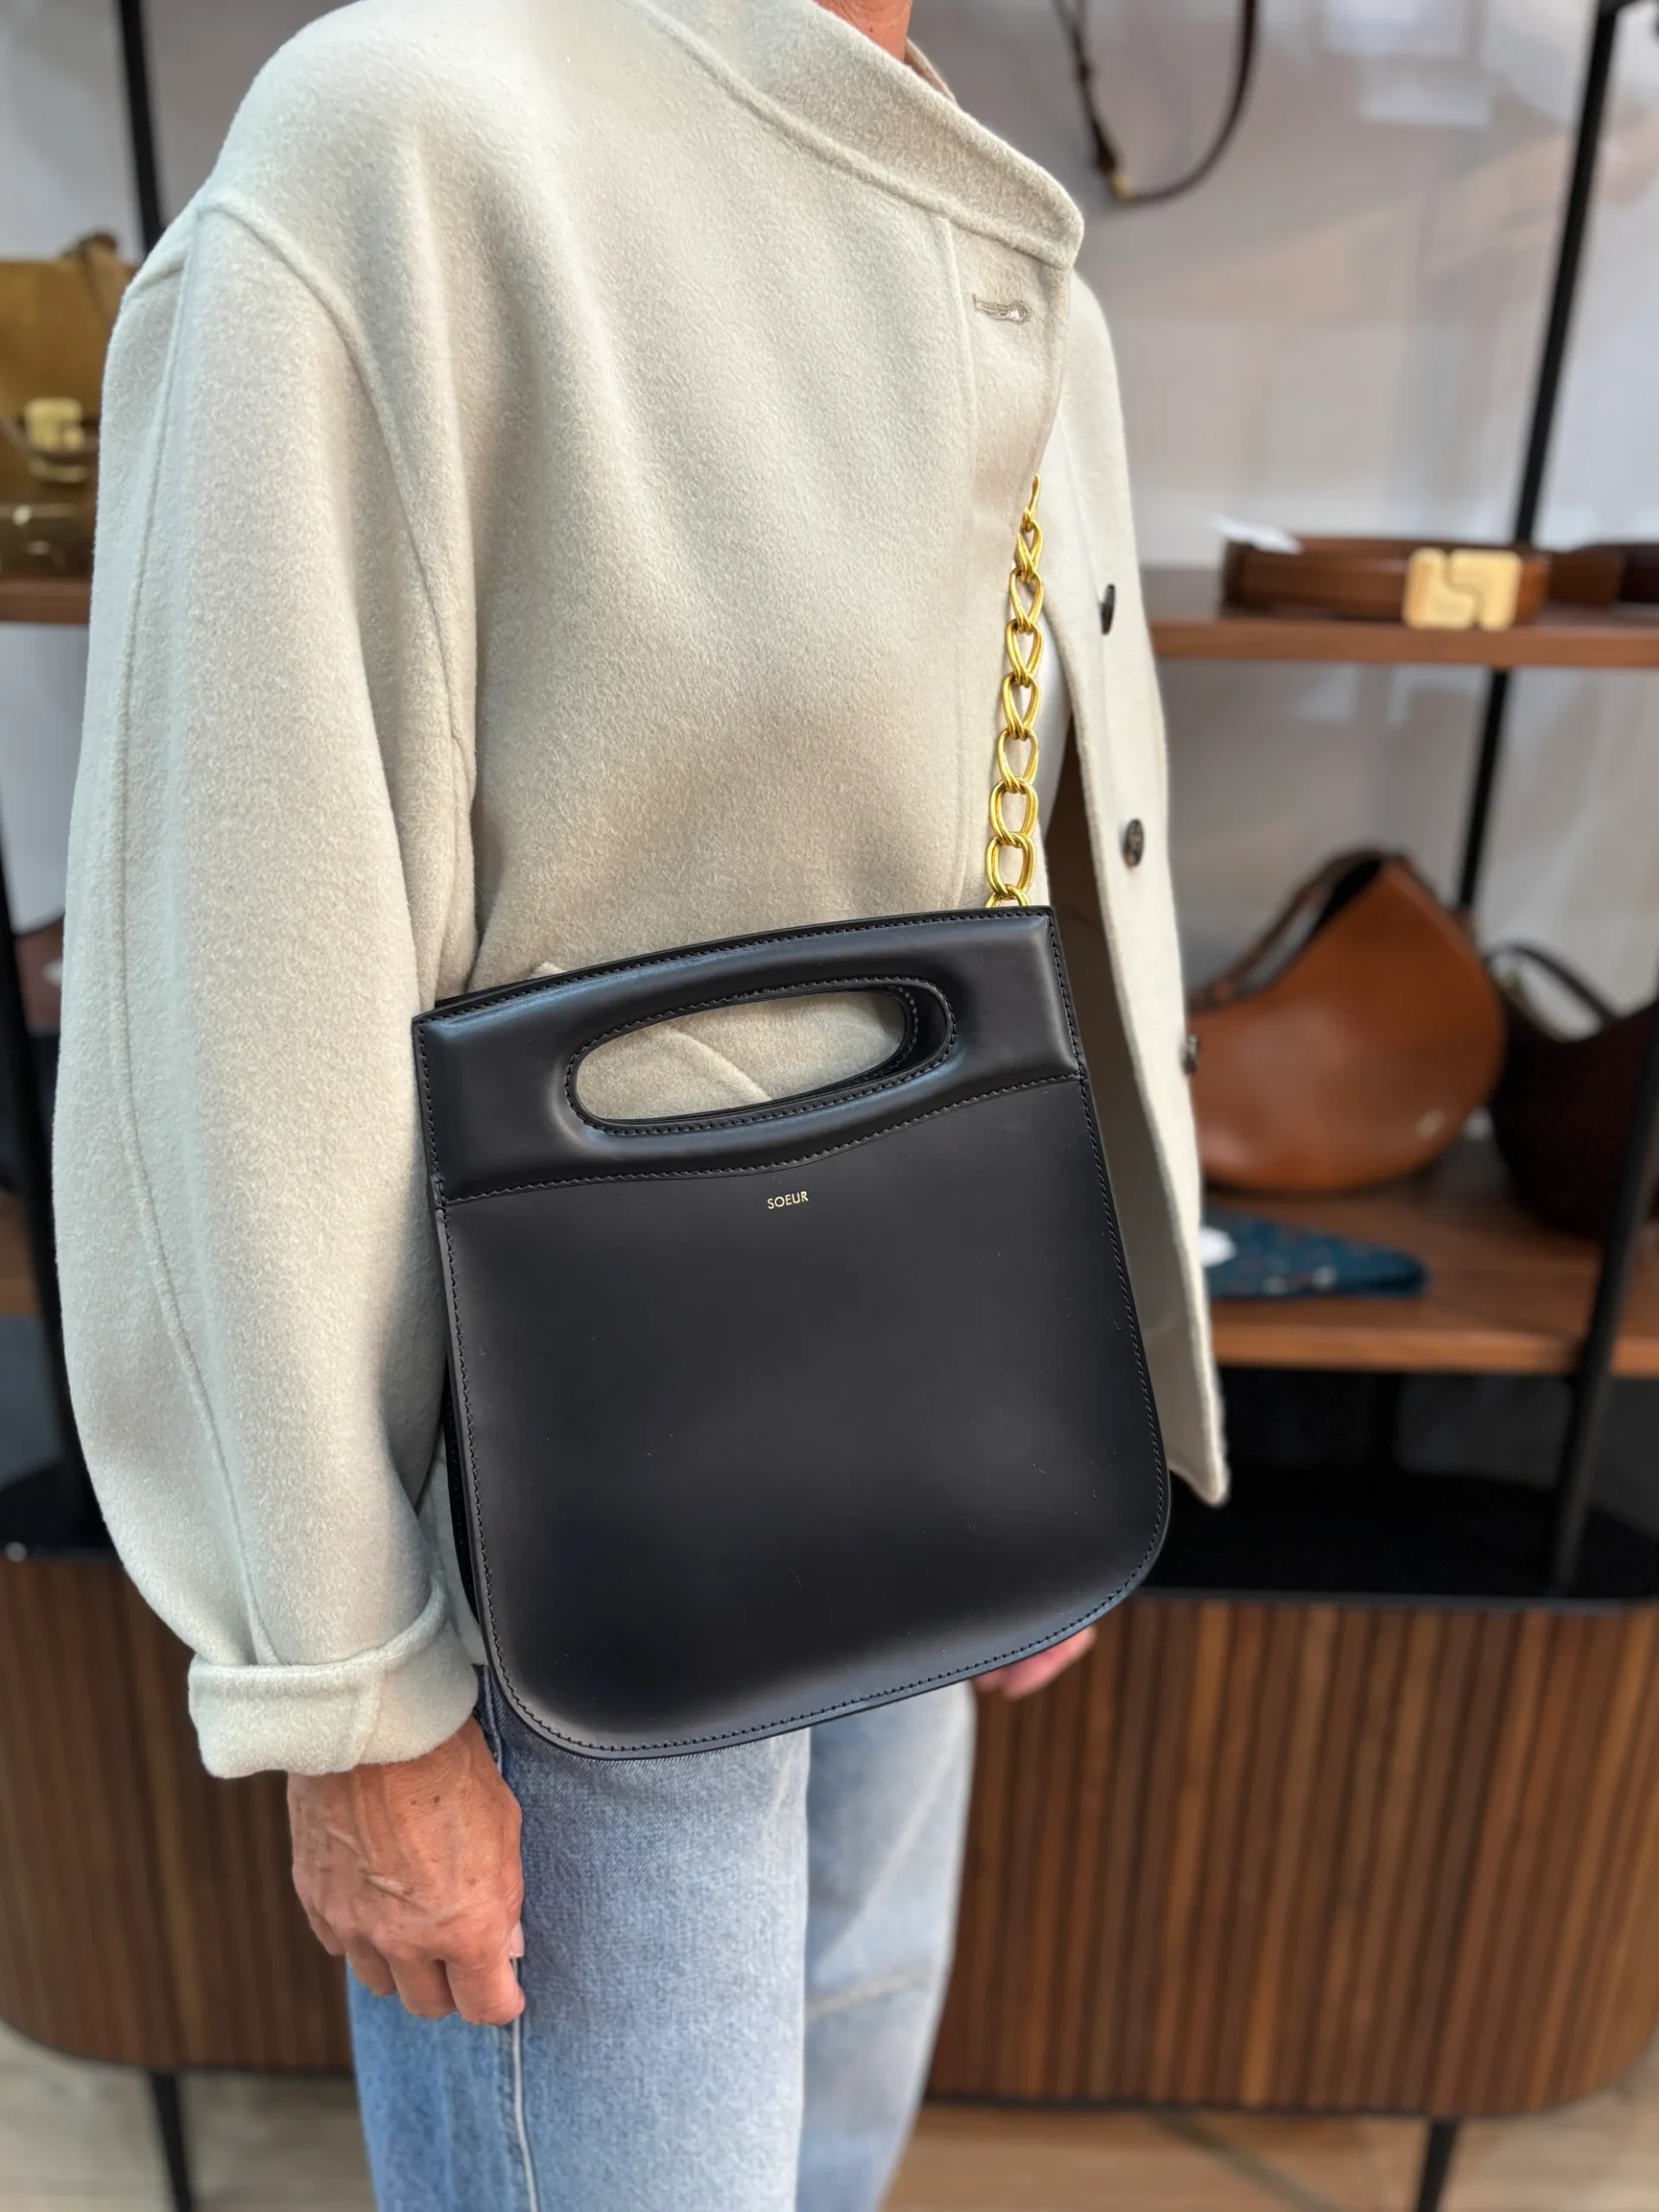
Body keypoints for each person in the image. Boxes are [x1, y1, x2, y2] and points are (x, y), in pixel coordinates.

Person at [54, 0, 1225, 2203]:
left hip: (923, 1435)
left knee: (833, 2147)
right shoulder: (416, 138)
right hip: (583, 1540)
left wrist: (1069, 1386)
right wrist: (349, 1682)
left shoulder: (972, 199)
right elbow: (236, 970)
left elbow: (1012, 854)